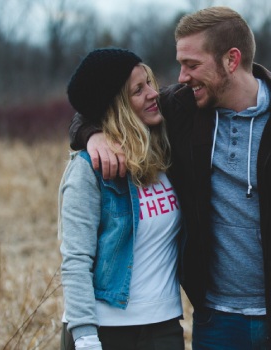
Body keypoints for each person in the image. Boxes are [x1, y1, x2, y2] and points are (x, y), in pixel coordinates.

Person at [71, 7, 271, 350]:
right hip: (218, 325)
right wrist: (91, 134)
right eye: (181, 64)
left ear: (231, 60)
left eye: (193, 65)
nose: (182, 77)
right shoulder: (180, 111)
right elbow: (105, 106)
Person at [59, 48, 184, 350]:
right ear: (116, 107)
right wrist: (86, 338)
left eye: (150, 82)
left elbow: (223, 83)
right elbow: (76, 260)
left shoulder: (167, 150)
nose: (154, 94)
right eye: (138, 90)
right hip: (106, 331)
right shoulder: (89, 170)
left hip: (164, 327)